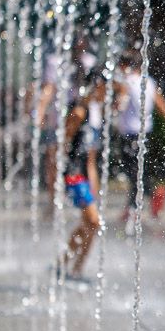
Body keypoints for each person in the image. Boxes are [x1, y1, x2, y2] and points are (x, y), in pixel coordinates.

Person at [112, 50, 165, 232]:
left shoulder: (126, 83)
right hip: (145, 135)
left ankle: (149, 198)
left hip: (130, 136)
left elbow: (118, 104)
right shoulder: (149, 82)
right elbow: (163, 107)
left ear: (125, 66)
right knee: (137, 172)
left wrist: (116, 104)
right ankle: (132, 208)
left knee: (134, 174)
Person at [58, 91, 101, 286]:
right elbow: (62, 144)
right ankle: (72, 267)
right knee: (93, 222)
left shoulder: (93, 113)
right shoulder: (79, 112)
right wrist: (58, 177)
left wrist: (94, 184)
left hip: (84, 177)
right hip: (74, 175)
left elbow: (90, 157)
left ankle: (69, 266)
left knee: (89, 224)